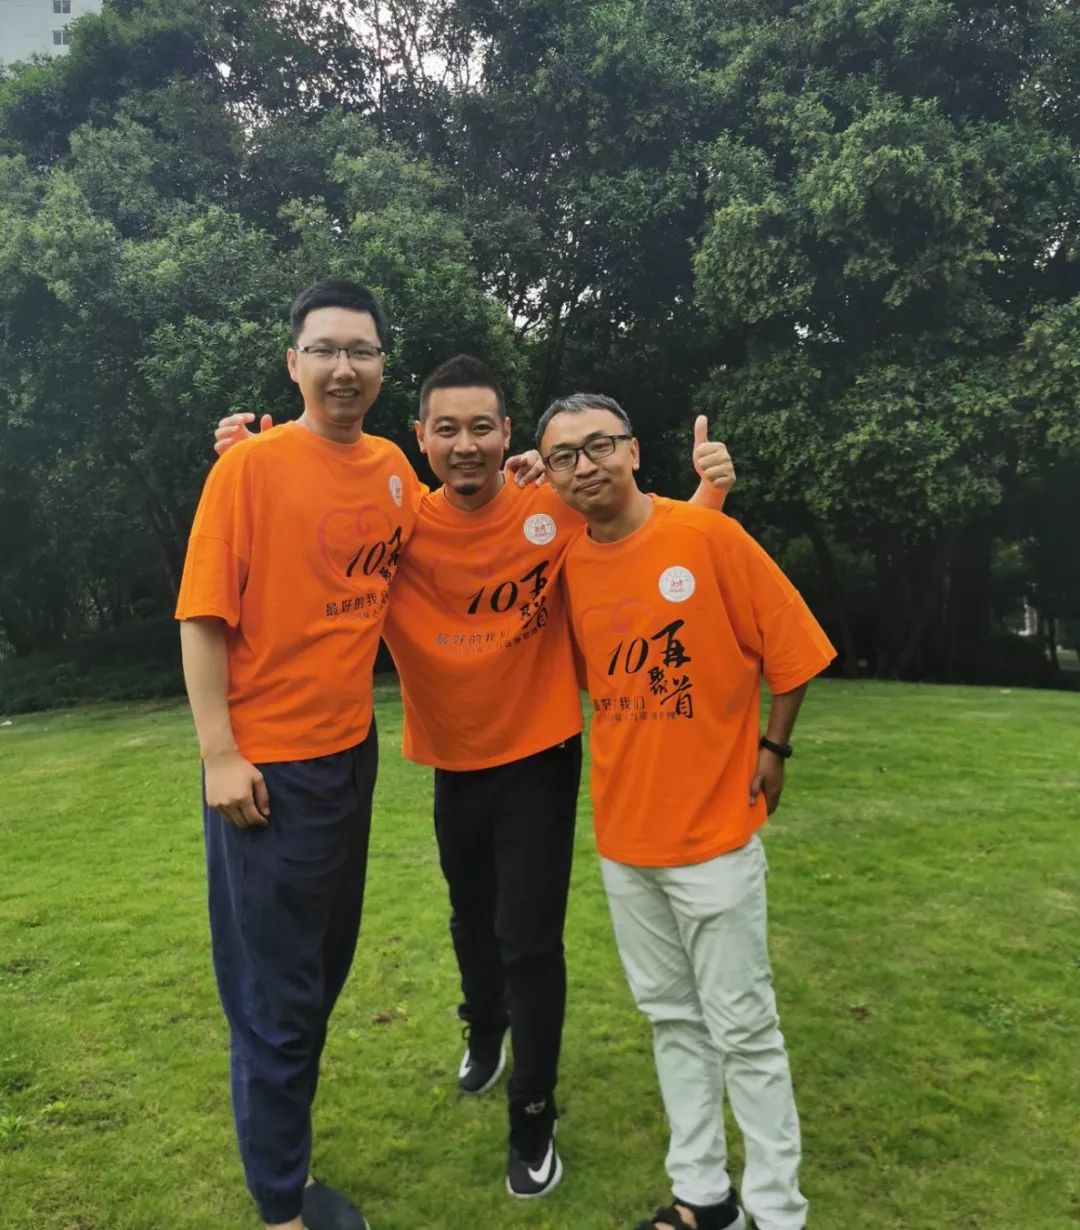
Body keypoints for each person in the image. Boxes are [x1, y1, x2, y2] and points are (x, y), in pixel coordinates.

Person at [213, 356, 736, 1200]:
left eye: (483, 428)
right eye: (448, 429)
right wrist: (249, 461)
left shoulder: (549, 504)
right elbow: (308, 536)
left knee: (529, 940)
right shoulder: (398, 524)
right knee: (470, 919)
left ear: (508, 435)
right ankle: (484, 1029)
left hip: (539, 757)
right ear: (420, 438)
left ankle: (533, 1115)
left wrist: (710, 489)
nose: (466, 445)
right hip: (452, 760)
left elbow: (650, 541)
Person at [535, 394, 836, 1230]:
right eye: (563, 456)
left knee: (745, 1029)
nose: (585, 466)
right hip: (625, 839)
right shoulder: (570, 564)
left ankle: (777, 1211)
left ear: (634, 451)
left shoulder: (707, 537)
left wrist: (774, 747)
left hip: (714, 837)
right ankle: (703, 1198)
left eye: (599, 445)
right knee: (672, 1022)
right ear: (550, 474)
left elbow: (793, 649)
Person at [176, 279, 422, 1230]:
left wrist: (517, 478)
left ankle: (290, 1157)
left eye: (360, 350)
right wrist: (218, 753)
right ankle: (283, 1209)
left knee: (319, 974)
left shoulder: (393, 470)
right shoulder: (249, 469)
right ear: (293, 363)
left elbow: (446, 537)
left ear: (382, 366)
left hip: (350, 754)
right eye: (324, 349)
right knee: (275, 996)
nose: (343, 367)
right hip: (267, 774)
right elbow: (203, 616)